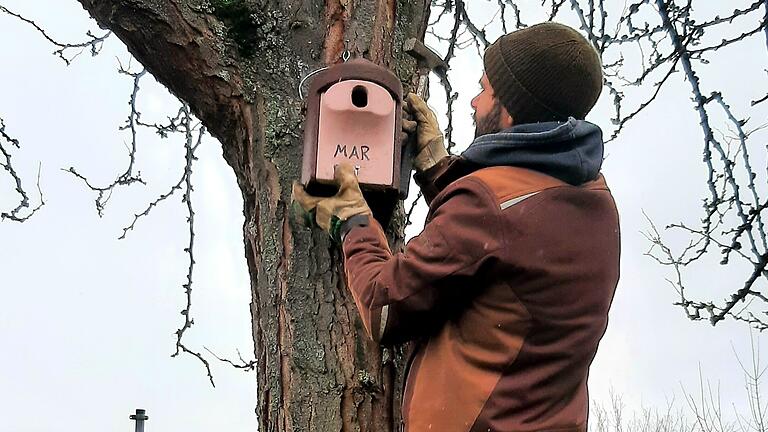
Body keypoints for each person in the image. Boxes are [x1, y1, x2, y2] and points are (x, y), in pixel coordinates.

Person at [293, 22, 620, 432]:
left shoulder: (490, 208)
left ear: (510, 110)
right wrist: (436, 168)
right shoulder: (595, 199)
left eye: (485, 90)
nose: (472, 101)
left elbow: (384, 307)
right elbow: (500, 241)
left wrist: (354, 221)